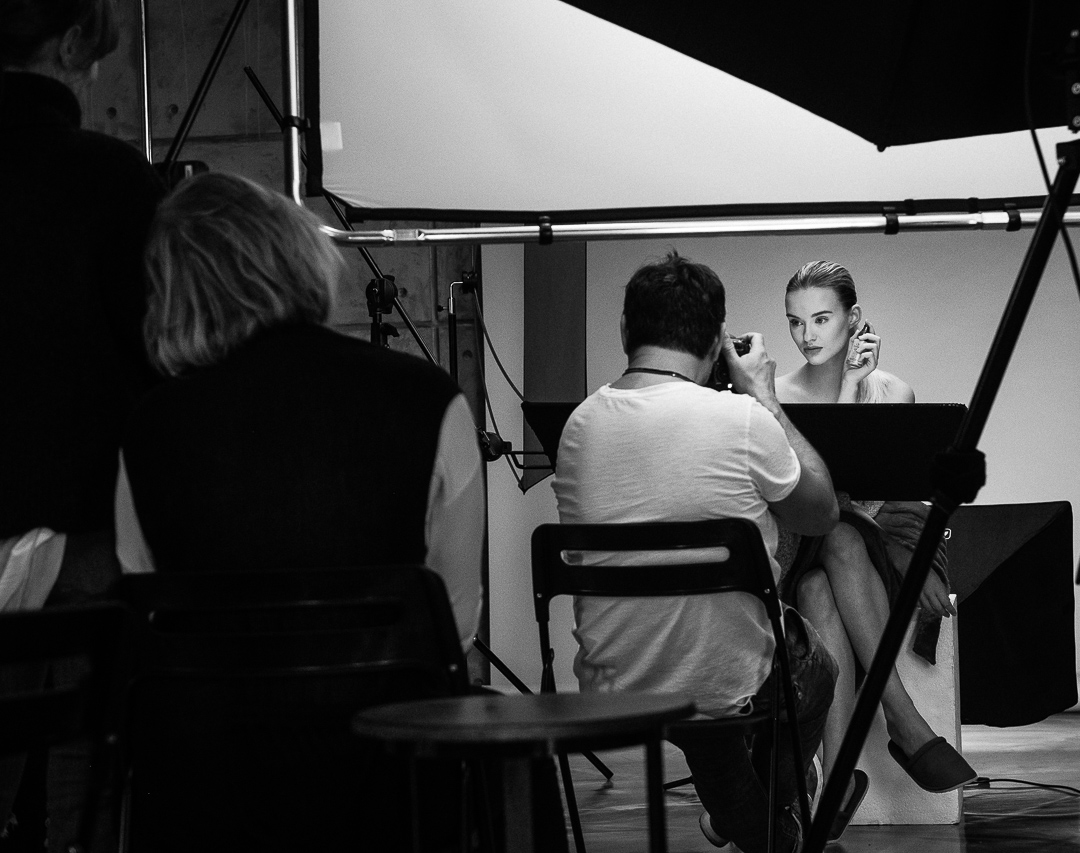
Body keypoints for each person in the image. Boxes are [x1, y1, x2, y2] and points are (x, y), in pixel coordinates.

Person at [112, 172, 487, 853]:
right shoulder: (431, 399)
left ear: (174, 287)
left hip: (207, 792)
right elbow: (453, 626)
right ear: (299, 258)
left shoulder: (148, 427)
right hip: (389, 789)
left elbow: (149, 614)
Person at [552, 250, 840, 853]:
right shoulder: (743, 419)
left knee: (710, 710)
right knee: (815, 669)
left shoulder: (578, 427)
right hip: (722, 679)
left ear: (626, 331)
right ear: (717, 340)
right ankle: (777, 828)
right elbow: (821, 513)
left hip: (616, 678)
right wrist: (764, 395)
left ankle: (762, 825)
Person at [1, 0, 165, 847]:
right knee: (84, 793)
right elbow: (156, 351)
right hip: (82, 534)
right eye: (95, 54)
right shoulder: (111, 179)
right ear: (67, 45)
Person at [775, 260, 976, 829]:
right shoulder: (776, 395)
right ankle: (903, 721)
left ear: (854, 317)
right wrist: (845, 390)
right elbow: (817, 496)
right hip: (799, 548)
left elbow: (900, 496)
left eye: (821, 319)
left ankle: (838, 776)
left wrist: (922, 562)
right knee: (832, 538)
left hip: (864, 562)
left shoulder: (893, 391)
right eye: (795, 322)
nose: (807, 335)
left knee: (827, 575)